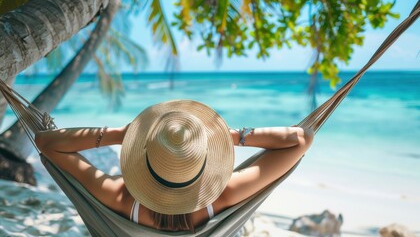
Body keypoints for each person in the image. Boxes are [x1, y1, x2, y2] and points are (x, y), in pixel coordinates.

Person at [35, 100, 313, 232]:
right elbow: (300, 140)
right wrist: (232, 136)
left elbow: (46, 142)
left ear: (143, 160)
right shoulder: (224, 196)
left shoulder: (120, 196)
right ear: (202, 161)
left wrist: (119, 134)